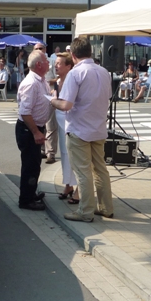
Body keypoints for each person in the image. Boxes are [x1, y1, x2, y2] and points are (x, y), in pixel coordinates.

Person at [51, 37, 114, 222]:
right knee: (100, 170)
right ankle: (106, 207)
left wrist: (52, 101)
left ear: (72, 54)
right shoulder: (104, 71)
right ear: (90, 52)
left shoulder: (75, 73)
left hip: (79, 129)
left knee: (83, 172)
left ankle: (85, 211)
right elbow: (107, 97)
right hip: (98, 127)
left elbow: (66, 105)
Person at [15, 49, 52, 211]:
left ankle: (30, 193)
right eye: (46, 60)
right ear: (39, 65)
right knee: (30, 165)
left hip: (35, 127)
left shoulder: (41, 80)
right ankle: (26, 200)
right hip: (28, 129)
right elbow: (25, 112)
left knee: (35, 163)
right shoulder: (31, 83)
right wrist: (36, 132)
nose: (49, 62)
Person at [53, 52, 79, 203]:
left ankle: (76, 187)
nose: (56, 66)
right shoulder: (57, 81)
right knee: (63, 153)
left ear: (68, 66)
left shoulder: (72, 80)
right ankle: (68, 184)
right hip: (60, 118)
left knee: (72, 153)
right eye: (55, 63)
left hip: (70, 120)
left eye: (59, 63)